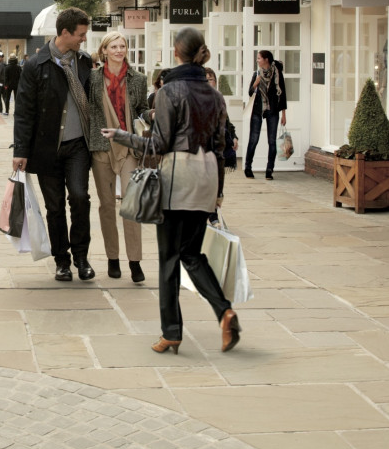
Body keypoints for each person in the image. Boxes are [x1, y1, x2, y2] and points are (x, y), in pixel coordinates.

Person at [104, 28, 241, 355]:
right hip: (207, 175)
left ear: (177, 52)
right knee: (192, 254)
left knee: (168, 258)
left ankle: (171, 333)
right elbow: (221, 147)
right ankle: (225, 311)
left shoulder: (170, 91)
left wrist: (122, 136)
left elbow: (158, 144)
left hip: (179, 174)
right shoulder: (215, 94)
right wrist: (218, 192)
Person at [12, 7, 96, 282]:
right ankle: (62, 260)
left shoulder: (83, 62)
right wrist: (21, 150)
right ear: (64, 33)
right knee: (55, 206)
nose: (84, 39)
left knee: (80, 198)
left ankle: (82, 257)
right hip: (47, 148)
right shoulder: (36, 65)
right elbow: (24, 111)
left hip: (78, 147)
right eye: (80, 34)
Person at [86, 32, 149, 282]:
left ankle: (135, 261)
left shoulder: (138, 79)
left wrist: (151, 115)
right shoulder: (92, 78)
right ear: (104, 50)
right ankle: (113, 258)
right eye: (114, 46)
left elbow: (142, 108)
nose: (119, 50)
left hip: (128, 146)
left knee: (131, 205)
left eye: (123, 46)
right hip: (101, 146)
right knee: (106, 206)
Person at [244, 49, 286, 180]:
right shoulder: (256, 73)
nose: (257, 60)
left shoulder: (277, 73)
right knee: (253, 139)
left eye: (259, 58)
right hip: (258, 110)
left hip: (272, 110)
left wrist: (284, 114)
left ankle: (269, 170)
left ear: (266, 59)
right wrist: (255, 83)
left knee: (272, 141)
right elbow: (250, 92)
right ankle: (248, 167)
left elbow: (283, 94)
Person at [206, 67, 239, 171]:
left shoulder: (219, 99)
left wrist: (234, 137)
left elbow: (227, 122)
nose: (208, 82)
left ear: (215, 82)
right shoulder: (196, 100)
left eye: (210, 79)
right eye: (205, 79)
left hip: (218, 146)